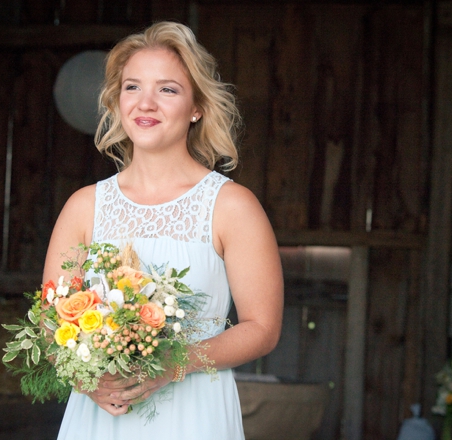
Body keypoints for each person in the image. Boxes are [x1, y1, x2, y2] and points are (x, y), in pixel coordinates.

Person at [43, 21, 284, 439]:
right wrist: (89, 382)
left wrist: (173, 365)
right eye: (132, 87)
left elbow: (262, 329)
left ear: (197, 107)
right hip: (102, 417)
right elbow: (51, 325)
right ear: (117, 103)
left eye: (167, 89)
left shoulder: (231, 206)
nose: (145, 103)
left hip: (194, 415)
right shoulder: (84, 206)